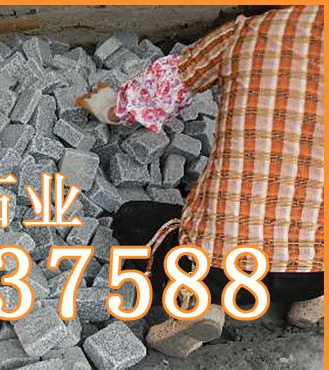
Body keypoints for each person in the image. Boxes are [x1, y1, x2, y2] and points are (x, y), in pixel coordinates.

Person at [78, 5, 324, 327]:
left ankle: (198, 302)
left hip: (217, 270)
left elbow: (162, 87)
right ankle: (312, 300)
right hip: (314, 276)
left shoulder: (243, 34)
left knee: (130, 217)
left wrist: (109, 107)